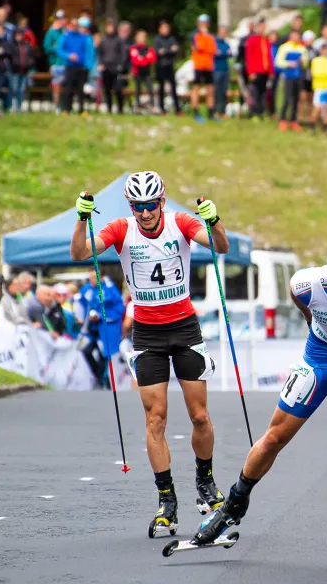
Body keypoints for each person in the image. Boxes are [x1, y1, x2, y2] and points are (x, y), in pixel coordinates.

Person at [190, 237, 327, 564]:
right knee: (274, 437)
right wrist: (310, 319)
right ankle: (234, 504)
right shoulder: (306, 284)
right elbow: (296, 296)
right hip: (318, 357)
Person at [71, 171, 229, 536]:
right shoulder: (121, 229)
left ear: (161, 201)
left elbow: (220, 247)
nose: (144, 213)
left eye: (150, 205)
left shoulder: (180, 222)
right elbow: (79, 253)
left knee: (200, 416)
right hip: (147, 334)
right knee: (155, 419)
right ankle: (166, 502)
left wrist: (214, 220)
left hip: (184, 327)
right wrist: (81, 219)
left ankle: (205, 482)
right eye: (138, 207)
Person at [58, 17, 92, 115]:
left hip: (81, 67)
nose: (75, 27)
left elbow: (88, 52)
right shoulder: (65, 36)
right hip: (70, 66)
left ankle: (82, 110)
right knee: (68, 89)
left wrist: (87, 65)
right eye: (73, 25)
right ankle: (66, 109)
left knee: (81, 90)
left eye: (77, 25)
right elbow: (59, 50)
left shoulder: (83, 37)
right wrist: (68, 56)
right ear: (70, 25)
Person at [275, 30, 307, 131]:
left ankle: (293, 121)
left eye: (297, 36)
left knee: (296, 100)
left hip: (299, 76)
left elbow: (306, 64)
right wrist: (288, 64)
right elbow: (278, 62)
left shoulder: (302, 48)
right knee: (286, 98)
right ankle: (282, 120)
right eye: (293, 35)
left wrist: (303, 62)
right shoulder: (284, 47)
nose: (295, 37)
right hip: (288, 76)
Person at [190, 15, 217, 123]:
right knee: (196, 88)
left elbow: (213, 49)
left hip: (208, 65)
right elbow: (199, 47)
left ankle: (211, 113)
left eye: (205, 22)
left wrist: (205, 37)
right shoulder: (194, 35)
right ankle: (196, 112)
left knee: (210, 90)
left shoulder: (210, 36)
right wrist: (204, 36)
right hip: (199, 66)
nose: (204, 24)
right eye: (202, 22)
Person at [244, 19, 272, 120]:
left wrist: (271, 71)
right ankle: (253, 112)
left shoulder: (266, 40)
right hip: (256, 71)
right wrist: (250, 71)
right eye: (261, 27)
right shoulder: (252, 39)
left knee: (262, 93)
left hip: (264, 72)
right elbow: (249, 57)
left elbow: (269, 57)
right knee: (254, 93)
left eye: (264, 27)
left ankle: (260, 112)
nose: (263, 29)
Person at [153, 20, 180, 115]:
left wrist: (166, 51)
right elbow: (157, 52)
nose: (165, 30)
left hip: (170, 65)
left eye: (167, 28)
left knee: (173, 88)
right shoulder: (157, 39)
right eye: (163, 28)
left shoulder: (172, 39)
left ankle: (178, 109)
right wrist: (169, 51)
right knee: (161, 88)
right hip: (160, 66)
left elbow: (175, 51)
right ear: (159, 29)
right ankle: (162, 109)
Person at [43, 10, 66, 111]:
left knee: (64, 85)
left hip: (65, 63)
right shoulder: (51, 32)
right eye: (60, 19)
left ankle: (64, 105)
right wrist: (57, 49)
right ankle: (57, 107)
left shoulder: (64, 32)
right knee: (56, 85)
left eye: (63, 19)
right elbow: (47, 47)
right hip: (55, 63)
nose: (62, 21)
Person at [130, 30, 158, 113]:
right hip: (138, 72)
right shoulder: (133, 48)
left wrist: (142, 59)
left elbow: (153, 59)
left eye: (143, 37)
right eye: (139, 37)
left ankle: (152, 106)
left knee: (150, 89)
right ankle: (138, 107)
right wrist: (146, 59)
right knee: (138, 90)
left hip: (147, 72)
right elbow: (135, 61)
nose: (141, 39)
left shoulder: (149, 48)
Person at [10, 28, 36, 113]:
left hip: (25, 71)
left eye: (20, 35)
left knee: (21, 90)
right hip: (14, 71)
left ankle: (19, 107)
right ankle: (13, 106)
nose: (19, 37)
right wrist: (16, 64)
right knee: (14, 89)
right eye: (17, 35)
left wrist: (28, 65)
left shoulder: (27, 46)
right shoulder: (12, 46)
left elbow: (32, 58)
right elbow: (10, 58)